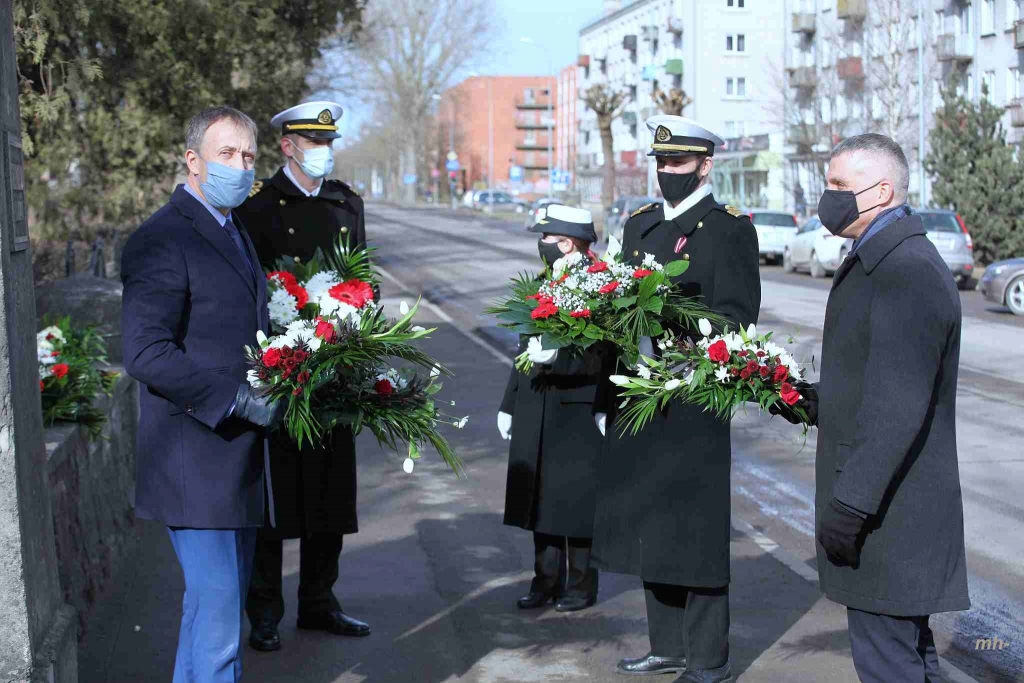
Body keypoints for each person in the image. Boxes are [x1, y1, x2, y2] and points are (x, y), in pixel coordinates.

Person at [772, 134, 969, 683]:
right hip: (890, 509)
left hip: (891, 513)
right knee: (910, 658)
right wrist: (812, 402)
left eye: (839, 185)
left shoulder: (905, 269)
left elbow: (898, 407)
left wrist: (850, 507)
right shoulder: (882, 258)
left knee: (889, 664)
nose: (827, 196)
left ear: (881, 191)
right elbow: (875, 380)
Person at [591, 115, 760, 683]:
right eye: (661, 163)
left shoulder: (728, 229)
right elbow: (614, 298)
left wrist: (670, 316)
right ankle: (665, 646)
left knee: (696, 529)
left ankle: (709, 658)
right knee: (652, 523)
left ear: (705, 166)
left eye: (678, 163)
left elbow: (738, 317)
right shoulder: (640, 225)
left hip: (693, 400)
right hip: (638, 397)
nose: (667, 173)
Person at [121, 105, 283, 683]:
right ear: (193, 161)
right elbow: (144, 352)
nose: (240, 167)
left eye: (248, 156)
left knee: (209, 618)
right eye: (226, 155)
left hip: (234, 459)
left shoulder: (232, 228)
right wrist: (236, 400)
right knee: (218, 633)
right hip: (195, 459)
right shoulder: (163, 238)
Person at [233, 101, 371, 653]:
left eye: (328, 140)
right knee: (276, 494)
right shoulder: (259, 208)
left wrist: (360, 327)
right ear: (288, 145)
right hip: (280, 369)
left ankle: (320, 600)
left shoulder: (346, 202)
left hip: (334, 367)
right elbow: (249, 289)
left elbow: (361, 274)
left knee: (330, 492)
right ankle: (264, 611)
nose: (325, 149)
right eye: (313, 141)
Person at [498, 205, 605, 613]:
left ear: (566, 242)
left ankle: (580, 583)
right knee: (538, 498)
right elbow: (523, 349)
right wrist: (509, 403)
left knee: (575, 502)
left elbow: (601, 353)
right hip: (535, 401)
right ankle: (544, 581)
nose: (540, 246)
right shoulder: (543, 281)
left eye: (545, 238)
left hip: (575, 405)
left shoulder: (598, 283)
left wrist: (557, 360)